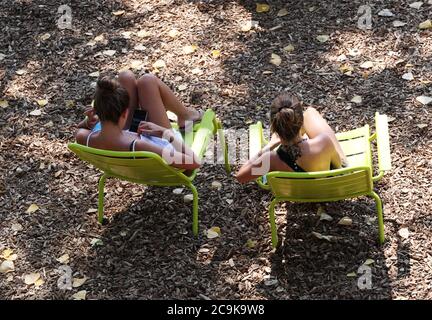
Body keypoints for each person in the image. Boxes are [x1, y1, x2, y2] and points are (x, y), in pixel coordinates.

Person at [75, 71, 203, 170]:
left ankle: (185, 115)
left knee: (125, 76)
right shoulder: (140, 146)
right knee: (148, 81)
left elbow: (82, 128)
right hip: (158, 142)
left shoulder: (83, 137)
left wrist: (88, 122)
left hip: (128, 134)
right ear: (126, 113)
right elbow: (194, 162)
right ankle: (185, 115)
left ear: (97, 112)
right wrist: (164, 133)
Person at [235, 93, 347, 183]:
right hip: (329, 189)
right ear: (300, 122)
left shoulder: (271, 159)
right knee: (311, 113)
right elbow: (340, 170)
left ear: (275, 127)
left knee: (310, 113)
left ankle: (292, 133)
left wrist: (269, 146)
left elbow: (240, 177)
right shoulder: (324, 142)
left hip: (300, 195)